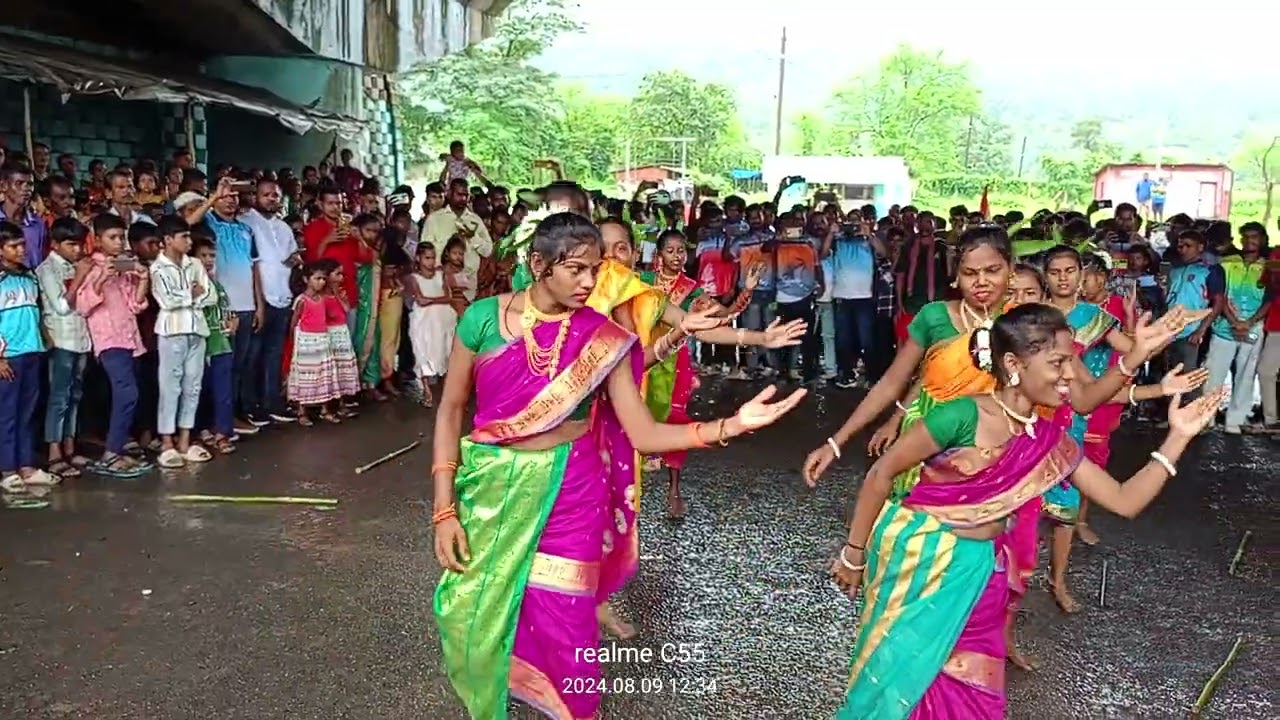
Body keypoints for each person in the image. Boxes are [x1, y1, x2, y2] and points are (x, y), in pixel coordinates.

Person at [431, 213, 806, 720]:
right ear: (538, 264)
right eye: (577, 270)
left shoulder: (600, 336)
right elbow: (452, 409)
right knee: (473, 619)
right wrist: (443, 509)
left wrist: (731, 425)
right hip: (491, 489)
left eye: (596, 269)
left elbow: (645, 433)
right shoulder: (480, 319)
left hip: (571, 489)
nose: (590, 282)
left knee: (568, 622)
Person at [829, 304, 1223, 719]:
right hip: (920, 566)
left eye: (1070, 361)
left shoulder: (1049, 442)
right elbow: (881, 473)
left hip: (980, 576)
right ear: (1014, 363)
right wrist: (853, 555)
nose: (1071, 374)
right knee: (897, 687)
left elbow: (1125, 500)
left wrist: (1178, 436)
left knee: (971, 695)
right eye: (1058, 363)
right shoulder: (962, 416)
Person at [76, 214, 152, 478]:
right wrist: (100, 279)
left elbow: (135, 305)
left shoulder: (125, 267)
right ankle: (111, 453)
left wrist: (142, 278)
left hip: (130, 339)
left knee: (129, 395)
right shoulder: (90, 267)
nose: (119, 242)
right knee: (126, 394)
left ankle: (116, 450)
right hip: (109, 340)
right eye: (112, 237)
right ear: (97, 240)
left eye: (122, 237)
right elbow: (82, 306)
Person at [37, 218, 93, 478]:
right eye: (71, 244)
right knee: (59, 397)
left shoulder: (74, 265)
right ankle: (54, 452)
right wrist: (81, 276)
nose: (77, 250)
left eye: (80, 244)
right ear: (56, 244)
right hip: (61, 340)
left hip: (81, 338)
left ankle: (70, 446)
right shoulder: (47, 270)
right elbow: (61, 306)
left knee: (76, 395)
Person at [0, 221, 52, 492]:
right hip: (9, 356)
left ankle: (26, 465)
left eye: (22, 244)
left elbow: (36, 311)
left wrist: (44, 338)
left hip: (32, 351)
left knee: (27, 413)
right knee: (7, 414)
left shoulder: (28, 276)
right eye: (13, 246)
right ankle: (7, 468)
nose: (21, 250)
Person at [192, 232, 237, 454]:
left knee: (223, 391)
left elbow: (228, 311)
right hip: (199, 344)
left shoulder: (217, 287)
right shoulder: (190, 286)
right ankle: (200, 430)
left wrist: (233, 321)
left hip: (221, 344)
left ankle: (222, 433)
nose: (209, 260)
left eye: (212, 256)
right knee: (199, 391)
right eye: (203, 256)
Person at [404, 242, 457, 408]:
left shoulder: (441, 274)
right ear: (418, 258)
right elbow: (420, 300)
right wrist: (435, 300)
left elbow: (449, 297)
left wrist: (432, 300)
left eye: (433, 257)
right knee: (423, 353)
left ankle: (445, 393)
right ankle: (427, 391)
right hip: (423, 321)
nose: (431, 261)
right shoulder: (412, 278)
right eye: (427, 257)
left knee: (445, 353)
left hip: (443, 320)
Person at [288, 262, 340, 425]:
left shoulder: (323, 299)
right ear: (306, 279)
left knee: (323, 374)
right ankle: (302, 411)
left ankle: (325, 409)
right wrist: (293, 341)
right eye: (317, 278)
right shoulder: (302, 300)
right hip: (306, 342)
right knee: (306, 375)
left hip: (322, 340)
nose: (321, 282)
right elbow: (294, 322)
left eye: (323, 279)